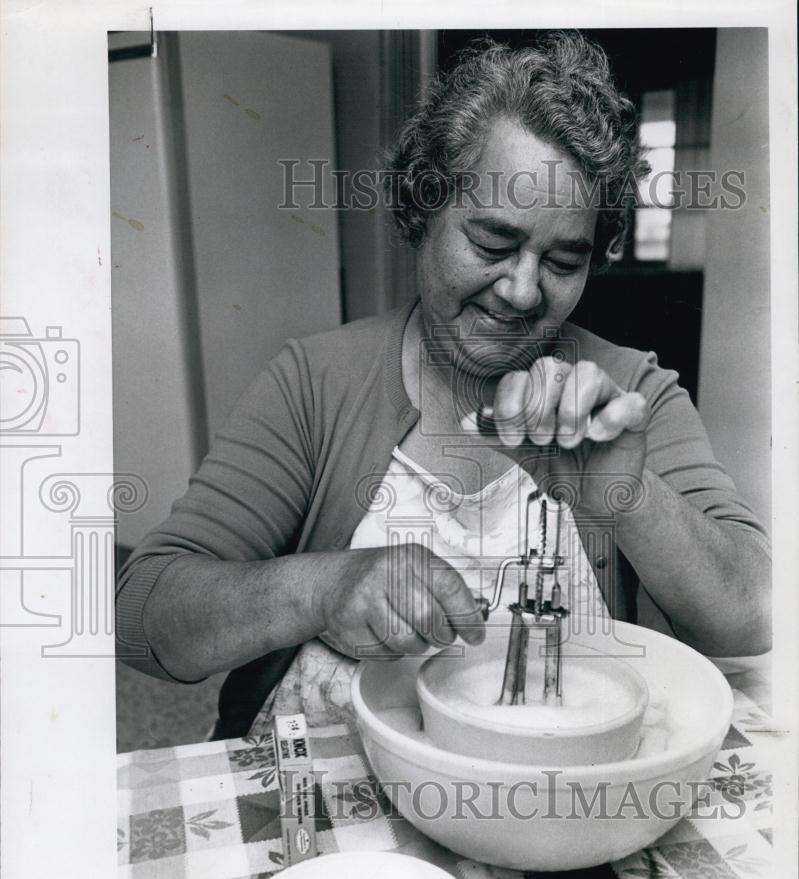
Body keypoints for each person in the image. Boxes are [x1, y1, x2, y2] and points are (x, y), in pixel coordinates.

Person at [116, 32, 771, 740]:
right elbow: (142, 616)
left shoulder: (630, 391)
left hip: (558, 790)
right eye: (491, 243)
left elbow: (753, 615)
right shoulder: (314, 383)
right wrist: (322, 587)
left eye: (561, 261)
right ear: (420, 213)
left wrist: (630, 495)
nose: (521, 292)